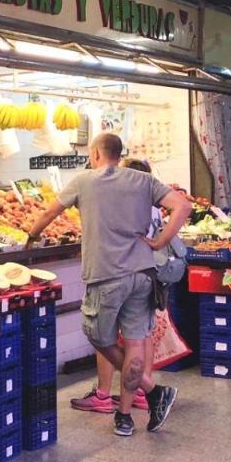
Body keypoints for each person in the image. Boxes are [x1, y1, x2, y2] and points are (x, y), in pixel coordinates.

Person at [25, 133, 191, 437]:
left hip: (106, 275)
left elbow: (50, 212)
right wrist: (160, 242)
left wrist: (32, 236)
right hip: (143, 274)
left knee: (99, 337)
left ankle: (152, 391)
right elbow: (182, 206)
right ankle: (125, 416)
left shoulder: (84, 180)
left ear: (96, 153)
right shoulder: (143, 180)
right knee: (135, 344)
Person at [71, 157, 164, 415]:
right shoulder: (152, 203)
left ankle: (106, 393)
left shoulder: (124, 203)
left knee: (105, 336)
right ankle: (138, 398)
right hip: (146, 275)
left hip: (116, 273)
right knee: (139, 339)